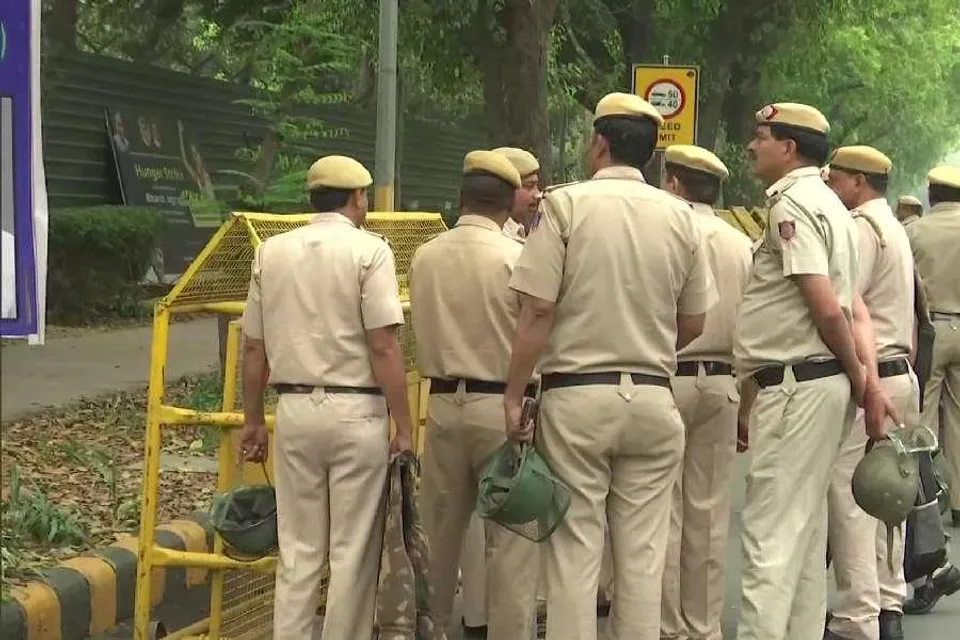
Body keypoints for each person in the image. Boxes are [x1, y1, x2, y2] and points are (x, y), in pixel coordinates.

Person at [503, 91, 718, 640]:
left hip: (576, 399)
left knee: (574, 551)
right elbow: (695, 322)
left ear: (599, 142)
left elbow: (537, 309)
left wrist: (513, 393)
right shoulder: (681, 217)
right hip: (653, 398)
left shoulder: (565, 206)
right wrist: (648, 347)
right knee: (643, 558)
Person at [733, 103, 894, 640]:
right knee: (802, 540)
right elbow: (848, 309)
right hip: (815, 382)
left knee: (769, 541)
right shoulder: (832, 204)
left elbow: (826, 308)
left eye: (761, 136)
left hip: (797, 384)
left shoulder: (794, 203)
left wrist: (864, 383)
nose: (752, 146)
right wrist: (862, 382)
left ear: (789, 147)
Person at [238, 154, 414, 639]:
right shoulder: (370, 251)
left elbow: (253, 347)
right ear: (358, 198)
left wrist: (252, 420)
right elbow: (383, 344)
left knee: (298, 550)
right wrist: (403, 424)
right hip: (357, 411)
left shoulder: (270, 252)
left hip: (294, 410)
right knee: (351, 550)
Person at [410, 150, 540, 639]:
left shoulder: (425, 255)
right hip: (505, 410)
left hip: (443, 406)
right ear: (509, 203)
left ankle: (430, 630)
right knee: (511, 546)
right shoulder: (518, 257)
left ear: (461, 197)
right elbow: (537, 332)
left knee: (438, 540)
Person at [658, 144, 752, 640]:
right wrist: (747, 406)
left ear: (674, 183)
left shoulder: (664, 230)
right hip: (723, 381)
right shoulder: (741, 244)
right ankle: (704, 626)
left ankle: (666, 625)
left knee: (662, 510)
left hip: (666, 376)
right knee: (710, 513)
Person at [825, 145, 918, 640]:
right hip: (900, 371)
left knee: (853, 500)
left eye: (836, 178)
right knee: (889, 500)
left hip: (871, 377)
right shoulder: (894, 228)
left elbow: (847, 306)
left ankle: (854, 617)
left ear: (858, 182)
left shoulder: (861, 228)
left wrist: (864, 382)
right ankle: (887, 603)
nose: (831, 186)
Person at [908, 165, 960, 530]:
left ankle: (925, 498)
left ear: (931, 194)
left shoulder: (914, 231)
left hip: (931, 329)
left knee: (923, 413)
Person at [493, 147, 542, 241]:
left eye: (536, 186)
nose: (538, 194)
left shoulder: (520, 229)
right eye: (529, 186)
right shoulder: (497, 235)